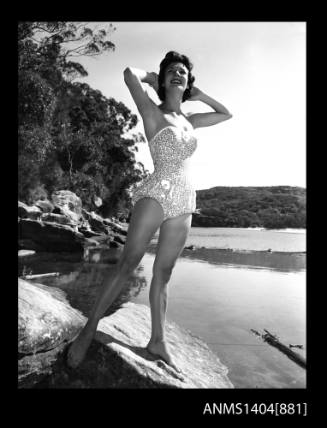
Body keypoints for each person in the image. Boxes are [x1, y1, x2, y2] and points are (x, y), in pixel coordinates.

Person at [67, 51, 232, 370]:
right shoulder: (152, 111)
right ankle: (89, 330)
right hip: (157, 191)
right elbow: (129, 73)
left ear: (189, 83)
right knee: (128, 261)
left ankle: (157, 341)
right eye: (172, 70)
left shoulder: (191, 120)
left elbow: (226, 114)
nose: (178, 74)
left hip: (185, 200)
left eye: (183, 72)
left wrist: (200, 95)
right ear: (162, 78)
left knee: (164, 274)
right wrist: (151, 79)